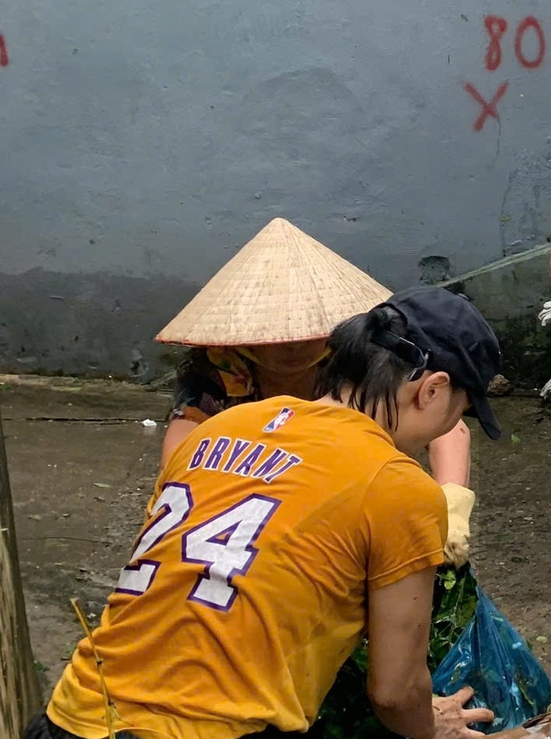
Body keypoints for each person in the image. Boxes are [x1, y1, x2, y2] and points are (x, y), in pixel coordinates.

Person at [12, 288, 505, 739]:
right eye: (457, 415)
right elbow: (394, 691)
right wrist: (432, 724)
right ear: (433, 389)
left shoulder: (222, 427)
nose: (445, 432)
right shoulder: (399, 486)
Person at [155, 217, 479, 566]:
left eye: (305, 330)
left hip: (350, 482)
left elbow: (444, 423)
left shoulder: (355, 355)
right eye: (276, 333)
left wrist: (451, 501)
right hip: (253, 490)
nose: (292, 345)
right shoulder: (221, 368)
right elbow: (180, 450)